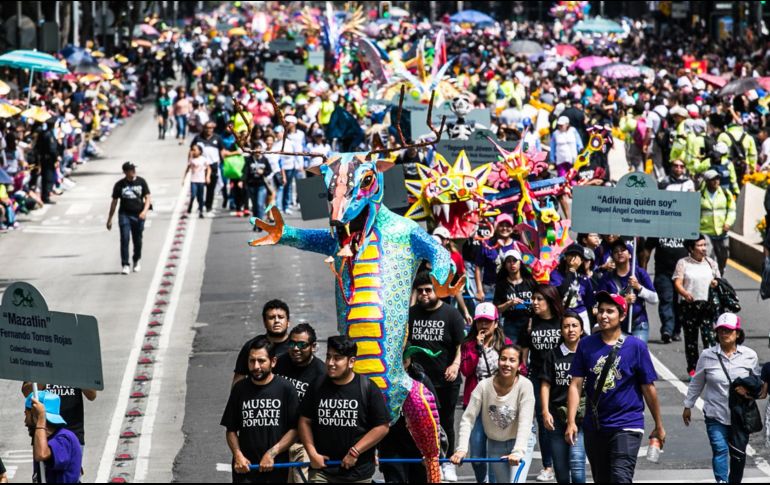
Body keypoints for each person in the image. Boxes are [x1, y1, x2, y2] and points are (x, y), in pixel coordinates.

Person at [565, 292, 666, 484]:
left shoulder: (636, 347)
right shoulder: (586, 345)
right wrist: (571, 421)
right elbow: (576, 384)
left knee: (620, 477)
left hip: (627, 423)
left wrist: (658, 425)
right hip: (595, 425)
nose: (603, 315)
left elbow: (648, 388)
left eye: (610, 311)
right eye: (601, 311)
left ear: (621, 316)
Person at [298, 336, 390, 483]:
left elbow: (382, 427)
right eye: (328, 357)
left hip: (358, 473)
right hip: (322, 471)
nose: (330, 363)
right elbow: (304, 421)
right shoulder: (317, 385)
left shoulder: (368, 387)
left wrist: (355, 452)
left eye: (337, 358)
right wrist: (312, 453)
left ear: (351, 361)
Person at [683, 313, 761, 484]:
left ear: (738, 333)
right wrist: (688, 405)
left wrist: (748, 392)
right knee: (719, 449)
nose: (724, 334)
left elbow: (758, 384)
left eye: (729, 330)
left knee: (738, 455)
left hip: (740, 416)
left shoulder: (750, 355)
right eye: (721, 331)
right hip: (715, 414)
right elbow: (697, 382)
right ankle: (721, 481)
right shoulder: (707, 355)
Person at [408, 272, 465, 482]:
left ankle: (448, 462)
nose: (424, 294)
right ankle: (428, 461)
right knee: (421, 424)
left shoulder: (451, 315)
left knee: (446, 422)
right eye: (420, 290)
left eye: (428, 290)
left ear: (436, 291)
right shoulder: (411, 314)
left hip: (445, 380)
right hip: (418, 382)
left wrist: (455, 364)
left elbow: (461, 344)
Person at [451, 344, 535, 483]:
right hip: (496, 443)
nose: (506, 364)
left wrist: (518, 451)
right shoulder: (483, 386)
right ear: (498, 361)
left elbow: (525, 421)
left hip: (521, 440)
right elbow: (468, 419)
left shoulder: (525, 385)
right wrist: (461, 449)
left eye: (512, 360)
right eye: (503, 359)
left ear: (520, 365)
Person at [221, 336, 300, 483]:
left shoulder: (286, 388)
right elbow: (231, 429)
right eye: (252, 361)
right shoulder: (240, 389)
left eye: (261, 361)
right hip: (245, 470)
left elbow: (295, 430)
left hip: (276, 469)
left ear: (273, 362)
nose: (256, 366)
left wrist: (271, 454)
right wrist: (238, 455)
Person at [459, 302, 513, 483]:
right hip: (476, 405)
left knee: (497, 455)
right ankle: (481, 480)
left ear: (496, 323)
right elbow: (466, 370)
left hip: (500, 404)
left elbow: (518, 368)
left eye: (487, 321)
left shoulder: (506, 344)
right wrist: (477, 348)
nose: (483, 325)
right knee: (476, 454)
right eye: (480, 321)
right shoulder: (468, 345)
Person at [520, 284, 565, 483]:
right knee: (544, 419)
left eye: (539, 299)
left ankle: (566, 458)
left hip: (562, 377)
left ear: (550, 301)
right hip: (538, 377)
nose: (535, 302)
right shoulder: (530, 323)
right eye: (533, 299)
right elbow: (524, 352)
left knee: (564, 417)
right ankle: (548, 465)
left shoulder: (562, 322)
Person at [378, 344, 442, 483]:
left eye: (403, 356)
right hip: (391, 444)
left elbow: (434, 416)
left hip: (419, 446)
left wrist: (432, 453)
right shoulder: (381, 382)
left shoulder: (421, 379)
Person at [273, 324, 326, 482]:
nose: (296, 349)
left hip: (302, 442)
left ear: (313, 347)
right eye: (292, 343)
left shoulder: (321, 373)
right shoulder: (279, 364)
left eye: (302, 345)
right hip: (276, 437)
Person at [540, 312, 586, 484]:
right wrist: (545, 411)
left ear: (582, 330)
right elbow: (545, 384)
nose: (570, 330)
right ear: (561, 330)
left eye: (574, 326)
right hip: (557, 416)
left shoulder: (587, 353)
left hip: (581, 417)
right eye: (566, 326)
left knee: (577, 462)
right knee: (560, 467)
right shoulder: (553, 354)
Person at [673, 235, 721, 378]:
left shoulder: (711, 263)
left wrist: (716, 283)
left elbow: (719, 280)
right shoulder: (683, 263)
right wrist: (685, 293)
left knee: (709, 339)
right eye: (699, 246)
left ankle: (711, 368)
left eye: (704, 245)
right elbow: (677, 282)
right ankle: (693, 370)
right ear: (691, 248)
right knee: (691, 340)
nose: (703, 248)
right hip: (689, 306)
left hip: (707, 306)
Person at [598, 239, 658, 342]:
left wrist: (639, 287)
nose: (620, 253)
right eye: (616, 251)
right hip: (615, 325)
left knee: (637, 354)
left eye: (623, 250)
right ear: (612, 257)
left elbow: (654, 299)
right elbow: (601, 302)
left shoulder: (639, 273)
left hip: (638, 323)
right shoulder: (607, 278)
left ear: (630, 255)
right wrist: (623, 300)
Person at [25, 391, 83, 483]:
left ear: (35, 415)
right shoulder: (44, 439)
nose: (25, 422)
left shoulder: (64, 438)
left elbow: (42, 454)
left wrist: (40, 419)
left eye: (26, 415)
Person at [21, 383, 97, 454]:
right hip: (45, 432)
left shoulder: (80, 368)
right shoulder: (38, 369)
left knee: (73, 466)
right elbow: (27, 392)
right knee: (43, 464)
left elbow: (92, 395)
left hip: (73, 431)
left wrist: (76, 372)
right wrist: (47, 372)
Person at [641, 235, 690, 344]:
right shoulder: (659, 229)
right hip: (663, 274)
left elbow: (695, 247)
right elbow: (647, 249)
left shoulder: (686, 228)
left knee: (680, 303)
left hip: (683, 275)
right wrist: (642, 271)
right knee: (666, 300)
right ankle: (667, 330)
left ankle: (676, 329)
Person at [233, 300, 292, 385]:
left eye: (281, 317)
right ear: (264, 323)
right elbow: (238, 379)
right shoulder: (251, 346)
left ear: (288, 322)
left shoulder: (296, 347)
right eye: (271, 317)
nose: (276, 321)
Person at [107, 162, 151, 275]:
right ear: (125, 172)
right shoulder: (120, 184)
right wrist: (110, 219)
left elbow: (148, 197)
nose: (133, 171)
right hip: (124, 215)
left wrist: (144, 211)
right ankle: (125, 264)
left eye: (134, 169)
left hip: (138, 215)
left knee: (138, 240)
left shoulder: (141, 181)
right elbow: (114, 202)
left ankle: (136, 259)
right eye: (131, 170)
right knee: (125, 238)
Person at [550, 243, 595, 333]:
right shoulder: (556, 274)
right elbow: (559, 293)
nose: (573, 258)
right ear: (565, 257)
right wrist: (571, 271)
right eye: (571, 255)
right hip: (563, 314)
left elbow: (589, 302)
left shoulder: (584, 279)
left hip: (581, 314)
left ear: (581, 260)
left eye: (577, 256)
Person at [494, 248, 536, 344]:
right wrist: (509, 303)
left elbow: (539, 301)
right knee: (511, 349)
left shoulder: (530, 282)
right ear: (505, 265)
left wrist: (532, 320)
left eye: (514, 260)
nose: (512, 264)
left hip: (529, 321)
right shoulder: (501, 285)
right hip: (510, 323)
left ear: (520, 263)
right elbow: (496, 309)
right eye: (508, 261)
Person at [699, 169, 735, 276]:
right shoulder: (700, 195)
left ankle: (720, 273)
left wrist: (728, 223)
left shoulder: (725, 193)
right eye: (712, 179)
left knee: (723, 256)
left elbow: (732, 210)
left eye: (717, 179)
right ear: (706, 181)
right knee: (708, 256)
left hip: (722, 232)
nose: (716, 181)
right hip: (705, 232)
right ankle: (710, 278)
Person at [475, 214, 518, 302]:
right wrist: (479, 290)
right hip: (490, 287)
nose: (504, 228)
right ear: (496, 227)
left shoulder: (517, 245)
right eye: (501, 225)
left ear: (512, 228)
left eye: (508, 226)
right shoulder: (487, 244)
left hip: (511, 286)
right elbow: (478, 267)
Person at [190, 121, 226, 214]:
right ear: (204, 128)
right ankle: (200, 203)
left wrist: (224, 162)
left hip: (213, 166)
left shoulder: (217, 138)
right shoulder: (198, 138)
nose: (209, 130)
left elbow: (222, 151)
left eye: (211, 128)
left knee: (211, 188)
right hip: (200, 167)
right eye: (207, 128)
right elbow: (191, 150)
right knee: (199, 188)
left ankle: (208, 205)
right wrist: (190, 161)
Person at [184, 143, 211, 218]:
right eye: (192, 150)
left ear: (200, 151)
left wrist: (207, 177)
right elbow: (187, 168)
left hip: (201, 181)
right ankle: (190, 207)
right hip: (193, 180)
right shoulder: (191, 159)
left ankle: (201, 211)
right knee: (193, 195)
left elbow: (209, 168)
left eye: (195, 150)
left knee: (200, 197)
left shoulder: (203, 159)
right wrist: (184, 179)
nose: (193, 151)